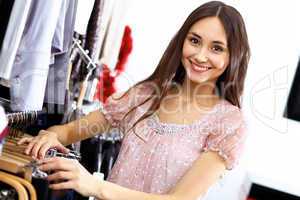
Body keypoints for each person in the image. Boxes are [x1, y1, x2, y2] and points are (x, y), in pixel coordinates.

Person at [18, 1, 250, 199]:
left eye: (216, 48)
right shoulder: (145, 95)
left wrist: (95, 185)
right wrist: (52, 135)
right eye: (195, 41)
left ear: (234, 56)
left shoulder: (228, 123)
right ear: (182, 40)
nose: (200, 55)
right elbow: (72, 132)